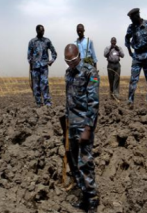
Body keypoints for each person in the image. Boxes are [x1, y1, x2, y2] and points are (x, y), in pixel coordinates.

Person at [64, 44, 99, 213]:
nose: (70, 63)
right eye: (67, 60)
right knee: (74, 162)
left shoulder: (89, 72)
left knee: (85, 162)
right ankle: (84, 196)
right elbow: (68, 99)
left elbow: (93, 102)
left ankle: (92, 199)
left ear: (78, 55)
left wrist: (88, 128)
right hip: (71, 124)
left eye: (73, 60)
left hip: (84, 125)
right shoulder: (68, 73)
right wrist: (65, 122)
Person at [28, 25, 57, 107]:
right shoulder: (32, 42)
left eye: (43, 30)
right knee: (36, 86)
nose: (42, 32)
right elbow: (29, 55)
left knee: (44, 84)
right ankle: (38, 104)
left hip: (44, 67)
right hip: (35, 68)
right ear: (37, 31)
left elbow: (54, 52)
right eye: (41, 30)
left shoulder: (47, 41)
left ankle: (47, 103)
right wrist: (31, 65)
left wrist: (51, 61)